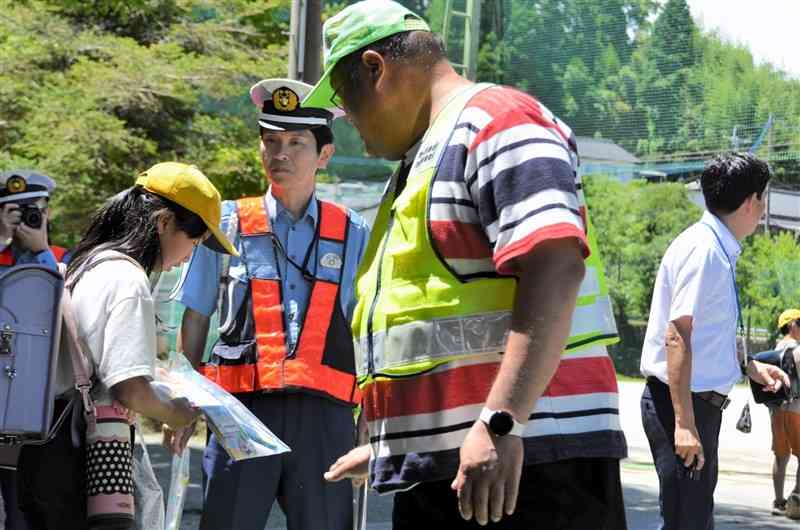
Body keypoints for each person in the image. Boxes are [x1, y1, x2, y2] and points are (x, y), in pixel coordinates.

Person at [306, 2, 627, 528]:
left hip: (529, 465)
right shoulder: (427, 155)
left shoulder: (496, 122)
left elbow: (555, 267)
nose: (349, 126)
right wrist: (399, 442)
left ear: (374, 68)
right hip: (464, 464)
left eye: (346, 101)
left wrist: (502, 422)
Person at [172, 78, 370, 530]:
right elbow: (196, 317)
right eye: (270, 141)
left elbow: (367, 329)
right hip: (240, 414)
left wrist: (372, 415)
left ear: (324, 155)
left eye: (296, 142)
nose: (280, 154)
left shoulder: (353, 230)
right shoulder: (226, 224)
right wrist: (183, 399)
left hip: (327, 420)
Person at [16, 161, 236, 529]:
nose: (188, 257)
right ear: (163, 222)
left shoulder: (88, 264)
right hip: (84, 458)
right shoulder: (126, 279)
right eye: (193, 242)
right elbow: (130, 388)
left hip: (44, 451)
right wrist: (179, 412)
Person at [639, 152, 790, 530]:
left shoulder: (714, 247)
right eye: (764, 197)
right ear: (752, 201)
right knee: (685, 523)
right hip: (684, 408)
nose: (763, 207)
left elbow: (705, 334)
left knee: (692, 521)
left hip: (696, 407)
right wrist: (685, 425)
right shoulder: (705, 251)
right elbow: (677, 335)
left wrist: (749, 366)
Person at [0, 169, 70, 530]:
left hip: (36, 410)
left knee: (24, 507)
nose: (27, 219)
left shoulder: (59, 258)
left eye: (34, 210)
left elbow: (64, 307)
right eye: (15, 211)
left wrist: (40, 251)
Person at [770, 309, 800, 517]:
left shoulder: (776, 349)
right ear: (792, 325)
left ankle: (778, 502)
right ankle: (796, 499)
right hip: (796, 410)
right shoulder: (796, 348)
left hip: (776, 411)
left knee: (781, 457)